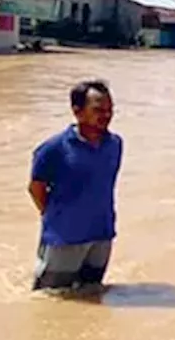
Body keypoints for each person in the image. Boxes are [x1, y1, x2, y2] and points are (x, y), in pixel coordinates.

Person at [28, 80, 124, 292]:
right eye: (98, 110)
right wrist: (54, 215)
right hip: (64, 238)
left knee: (91, 294)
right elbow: (36, 188)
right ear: (77, 112)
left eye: (110, 110)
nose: (106, 115)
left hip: (102, 236)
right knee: (51, 298)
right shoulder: (53, 148)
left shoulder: (115, 144)